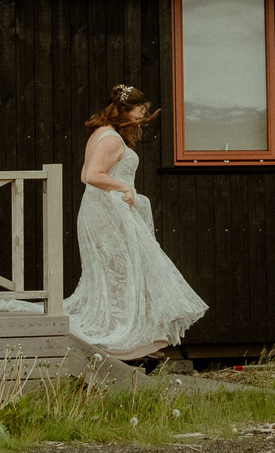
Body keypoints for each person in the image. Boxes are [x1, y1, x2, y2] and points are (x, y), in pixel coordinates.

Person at [66, 83, 208, 359]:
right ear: (124, 109)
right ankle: (121, 338)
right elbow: (90, 175)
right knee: (122, 271)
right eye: (139, 109)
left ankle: (127, 336)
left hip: (105, 211)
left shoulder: (102, 133)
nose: (143, 114)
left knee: (121, 272)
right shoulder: (110, 139)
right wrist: (124, 188)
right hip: (106, 213)